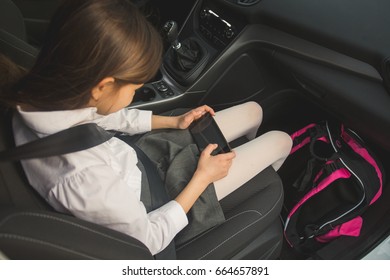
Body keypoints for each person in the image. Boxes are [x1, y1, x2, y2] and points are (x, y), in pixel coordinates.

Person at [0, 0, 292, 255]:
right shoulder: (82, 178)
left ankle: (245, 166)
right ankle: (257, 183)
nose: (134, 95)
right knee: (281, 141)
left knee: (255, 111)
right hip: (161, 201)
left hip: (137, 158)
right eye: (135, 88)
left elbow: (103, 118)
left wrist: (174, 121)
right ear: (103, 87)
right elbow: (148, 239)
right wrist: (203, 178)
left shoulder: (43, 96)